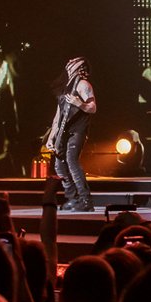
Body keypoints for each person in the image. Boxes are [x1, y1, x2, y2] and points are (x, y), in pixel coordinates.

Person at [46, 57, 97, 212]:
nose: (69, 62)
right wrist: (52, 135)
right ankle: (73, 198)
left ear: (80, 66)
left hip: (77, 130)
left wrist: (79, 104)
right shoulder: (66, 87)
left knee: (71, 161)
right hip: (64, 131)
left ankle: (85, 200)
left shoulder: (83, 84)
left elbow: (93, 107)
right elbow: (58, 114)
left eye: (73, 61)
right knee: (59, 164)